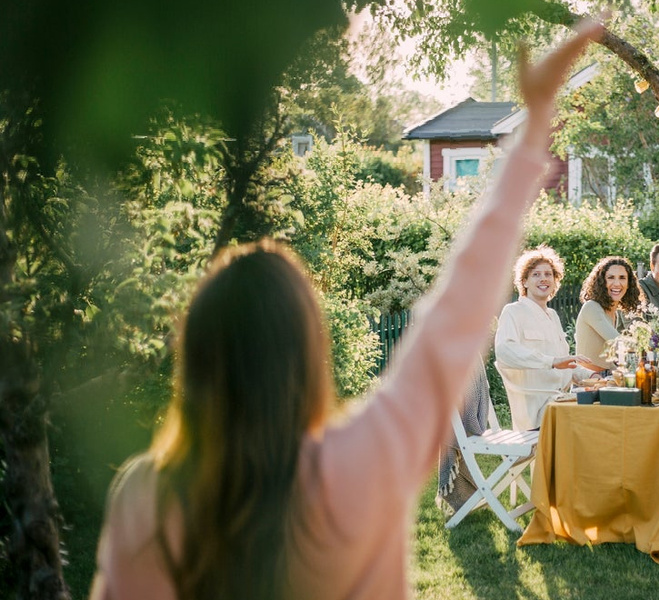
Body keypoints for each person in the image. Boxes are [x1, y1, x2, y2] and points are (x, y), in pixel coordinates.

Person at [88, 20, 603, 600]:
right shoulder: (364, 456)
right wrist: (532, 127)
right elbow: (458, 309)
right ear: (310, 350)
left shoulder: (144, 497)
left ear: (198, 355)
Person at [495, 246, 599, 430]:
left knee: (606, 413)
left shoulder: (552, 315)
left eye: (548, 274)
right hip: (536, 409)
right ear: (524, 282)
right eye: (536, 274)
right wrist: (551, 362)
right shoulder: (513, 312)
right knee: (594, 424)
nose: (543, 278)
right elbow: (504, 352)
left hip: (561, 401)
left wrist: (592, 375)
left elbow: (565, 364)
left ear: (554, 281)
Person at [575, 255, 643, 371]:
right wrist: (648, 345)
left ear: (629, 283)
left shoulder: (614, 313)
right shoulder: (592, 307)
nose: (617, 283)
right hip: (587, 381)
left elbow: (609, 358)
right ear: (602, 282)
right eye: (611, 277)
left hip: (606, 377)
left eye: (622, 278)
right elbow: (617, 342)